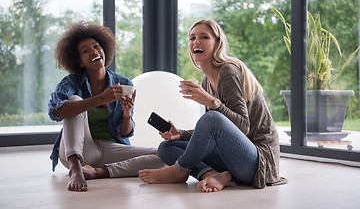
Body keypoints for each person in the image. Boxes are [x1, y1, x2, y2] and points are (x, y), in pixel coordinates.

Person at [139, 19, 287, 192]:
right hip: (234, 158)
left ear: (217, 43)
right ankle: (212, 174)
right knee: (166, 148)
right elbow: (214, 131)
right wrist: (180, 134)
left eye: (204, 37)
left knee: (211, 117)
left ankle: (180, 171)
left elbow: (243, 127)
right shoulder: (207, 80)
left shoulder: (228, 71)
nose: (196, 42)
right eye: (192, 38)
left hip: (258, 162)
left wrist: (211, 102)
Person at [49, 21, 165, 192]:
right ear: (79, 61)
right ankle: (76, 169)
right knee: (73, 101)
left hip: (109, 150)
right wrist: (100, 99)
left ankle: (99, 172)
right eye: (85, 50)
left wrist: (126, 115)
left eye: (96, 46)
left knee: (163, 155)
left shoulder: (124, 83)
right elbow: (56, 111)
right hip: (78, 150)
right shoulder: (71, 82)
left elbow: (124, 132)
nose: (94, 51)